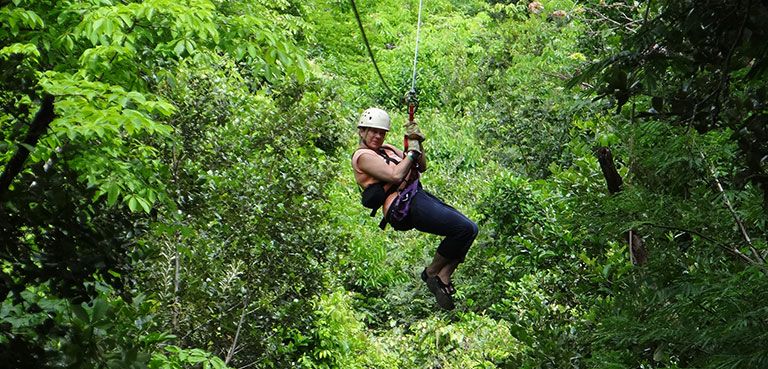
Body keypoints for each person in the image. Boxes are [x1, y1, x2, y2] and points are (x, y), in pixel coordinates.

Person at [350, 107, 479, 310]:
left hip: (415, 194)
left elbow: (421, 166)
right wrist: (410, 153)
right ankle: (432, 273)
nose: (378, 136)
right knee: (461, 228)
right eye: (373, 131)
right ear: (362, 131)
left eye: (381, 132)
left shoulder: (389, 149)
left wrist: (416, 143)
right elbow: (395, 175)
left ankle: (443, 276)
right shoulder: (362, 156)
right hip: (401, 205)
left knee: (470, 229)